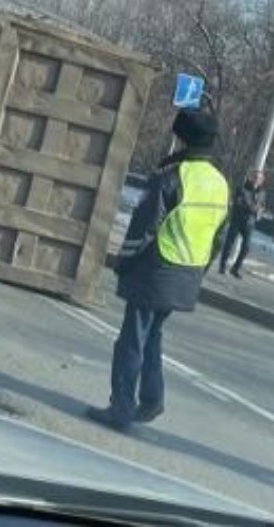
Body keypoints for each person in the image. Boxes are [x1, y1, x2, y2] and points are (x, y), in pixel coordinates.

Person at [86, 108, 230, 432]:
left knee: (131, 342)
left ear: (182, 138)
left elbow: (144, 228)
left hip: (157, 269)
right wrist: (198, 272)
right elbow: (217, 238)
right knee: (151, 336)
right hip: (188, 273)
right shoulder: (220, 184)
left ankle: (121, 410)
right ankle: (151, 400)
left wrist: (124, 261)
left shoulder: (172, 177)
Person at [219, 169, 267, 277]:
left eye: (259, 178)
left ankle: (235, 269)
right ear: (250, 177)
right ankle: (222, 266)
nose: (256, 180)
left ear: (262, 181)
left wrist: (260, 212)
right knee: (229, 244)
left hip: (249, 223)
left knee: (246, 248)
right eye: (254, 177)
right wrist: (253, 208)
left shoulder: (262, 193)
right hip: (237, 220)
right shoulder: (241, 189)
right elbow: (238, 203)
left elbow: (263, 206)